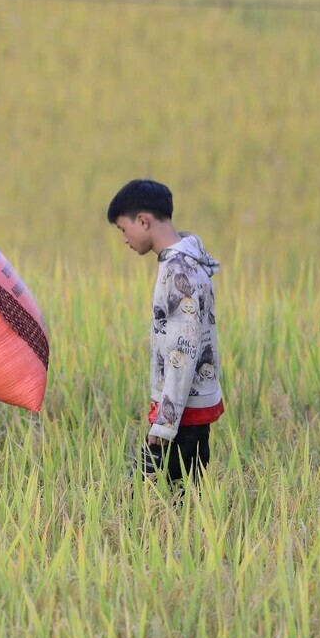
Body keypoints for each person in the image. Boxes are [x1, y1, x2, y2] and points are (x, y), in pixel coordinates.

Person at [107, 179, 222, 489]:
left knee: (170, 498)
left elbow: (182, 350)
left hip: (181, 411)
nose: (125, 239)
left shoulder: (178, 270)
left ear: (143, 221)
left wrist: (166, 422)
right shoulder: (188, 260)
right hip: (188, 403)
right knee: (182, 494)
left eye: (123, 229)